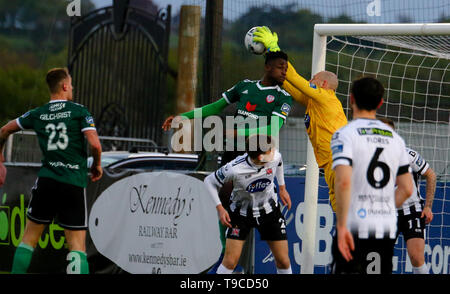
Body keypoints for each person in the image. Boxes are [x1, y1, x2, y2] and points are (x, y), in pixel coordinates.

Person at [162, 51, 293, 273]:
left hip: (260, 157)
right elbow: (215, 107)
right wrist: (185, 117)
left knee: (259, 206)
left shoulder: (283, 97)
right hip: (234, 155)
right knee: (226, 202)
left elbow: (272, 129)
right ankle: (228, 261)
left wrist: (237, 130)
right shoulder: (244, 86)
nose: (285, 71)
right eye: (281, 67)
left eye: (286, 67)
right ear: (268, 67)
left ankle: (235, 261)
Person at [0, 68, 103, 274]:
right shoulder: (79, 111)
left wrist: (0, 158)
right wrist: (97, 165)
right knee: (76, 246)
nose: (72, 88)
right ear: (65, 86)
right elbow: (95, 144)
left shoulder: (38, 113)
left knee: (29, 239)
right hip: (73, 181)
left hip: (47, 181)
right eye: (71, 84)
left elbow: (4, 130)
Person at [253, 26, 348, 212]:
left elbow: (294, 76)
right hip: (329, 164)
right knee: (341, 213)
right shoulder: (316, 102)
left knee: (349, 212)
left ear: (323, 84)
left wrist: (274, 47)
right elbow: (288, 83)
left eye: (313, 79)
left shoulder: (325, 96)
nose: (310, 80)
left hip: (338, 162)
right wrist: (273, 64)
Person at [329, 76, 414, 274]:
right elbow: (407, 188)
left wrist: (341, 227)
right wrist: (382, 207)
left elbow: (342, 182)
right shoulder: (395, 139)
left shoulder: (345, 134)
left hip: (354, 227)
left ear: (351, 99)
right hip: (384, 227)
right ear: (380, 102)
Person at [203, 135, 292, 274]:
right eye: (271, 150)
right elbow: (209, 181)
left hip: (269, 212)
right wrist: (220, 209)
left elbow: (279, 161)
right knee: (230, 262)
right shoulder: (234, 169)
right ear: (261, 157)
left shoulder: (274, 156)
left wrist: (282, 188)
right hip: (240, 214)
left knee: (283, 260)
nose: (274, 151)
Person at [378, 117, 436, 274]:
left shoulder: (408, 155)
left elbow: (430, 175)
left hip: (412, 210)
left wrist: (428, 206)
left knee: (416, 258)